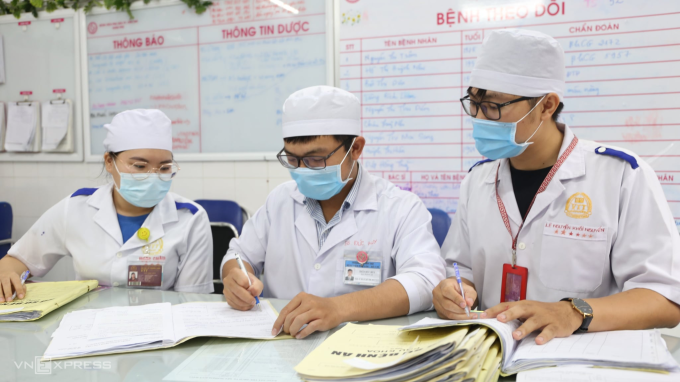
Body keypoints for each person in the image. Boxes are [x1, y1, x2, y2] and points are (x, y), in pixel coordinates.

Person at [433, 29, 680, 345]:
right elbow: (460, 269)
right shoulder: (477, 180)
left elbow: (665, 300)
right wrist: (453, 290)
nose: (480, 117)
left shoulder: (621, 176)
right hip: (492, 356)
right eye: (475, 102)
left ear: (547, 105)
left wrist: (575, 313)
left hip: (581, 364)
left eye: (494, 106)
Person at [221, 86, 446, 339]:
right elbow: (238, 255)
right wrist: (235, 278)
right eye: (293, 160)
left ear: (356, 148)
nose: (303, 170)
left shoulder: (400, 207)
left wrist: (338, 308)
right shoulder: (280, 201)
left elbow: (426, 281)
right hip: (281, 346)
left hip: (362, 354)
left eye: (316, 160)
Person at [0, 109, 213, 300]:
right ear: (109, 162)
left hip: (159, 334)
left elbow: (193, 303)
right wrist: (8, 273)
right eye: (140, 166)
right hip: (87, 329)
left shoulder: (190, 218)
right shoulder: (76, 208)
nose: (153, 176)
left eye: (164, 168)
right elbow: (19, 261)